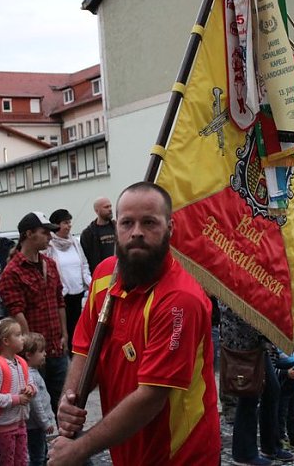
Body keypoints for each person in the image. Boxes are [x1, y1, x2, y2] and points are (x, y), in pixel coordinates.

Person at [50, 182, 221, 465]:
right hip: (127, 451)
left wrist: (79, 449)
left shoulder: (180, 299)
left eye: (149, 222)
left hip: (180, 456)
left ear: (170, 228)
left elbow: (151, 397)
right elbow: (84, 351)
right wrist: (69, 400)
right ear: (116, 227)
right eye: (127, 223)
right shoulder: (104, 275)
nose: (137, 232)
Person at [0, 211, 68, 414]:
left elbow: (59, 301)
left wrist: (64, 334)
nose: (49, 236)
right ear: (28, 234)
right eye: (44, 232)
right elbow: (16, 311)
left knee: (63, 401)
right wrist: (30, 344)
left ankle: (64, 433)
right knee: (39, 408)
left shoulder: (50, 264)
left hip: (56, 345)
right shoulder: (12, 271)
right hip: (33, 351)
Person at [221, 305, 292, 465]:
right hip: (244, 344)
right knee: (249, 395)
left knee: (271, 390)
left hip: (257, 343)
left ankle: (270, 446)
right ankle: (244, 454)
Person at [0, 318, 36, 466]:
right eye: (18, 335)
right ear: (5, 341)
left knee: (22, 461)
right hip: (4, 426)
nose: (22, 338)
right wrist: (17, 399)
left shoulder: (21, 362)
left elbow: (31, 383)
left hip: (21, 423)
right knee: (7, 462)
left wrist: (30, 389)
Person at [45, 208, 91, 354]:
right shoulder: (49, 246)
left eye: (69, 222)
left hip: (78, 293)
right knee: (66, 330)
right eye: (65, 222)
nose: (69, 226)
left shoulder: (75, 242)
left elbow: (84, 264)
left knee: (78, 329)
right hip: (62, 296)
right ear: (56, 225)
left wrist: (89, 282)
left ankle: (78, 353)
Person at [23, 332, 54, 466]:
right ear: (28, 355)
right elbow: (36, 404)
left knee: (42, 454)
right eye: (41, 351)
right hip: (35, 426)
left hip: (37, 425)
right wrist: (45, 422)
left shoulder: (33, 373)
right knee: (38, 457)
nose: (45, 354)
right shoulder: (30, 376)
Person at [79, 196, 116, 274]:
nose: (110, 209)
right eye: (106, 207)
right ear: (97, 211)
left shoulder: (118, 227)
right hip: (101, 274)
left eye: (110, 206)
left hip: (119, 271)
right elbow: (86, 260)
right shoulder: (88, 234)